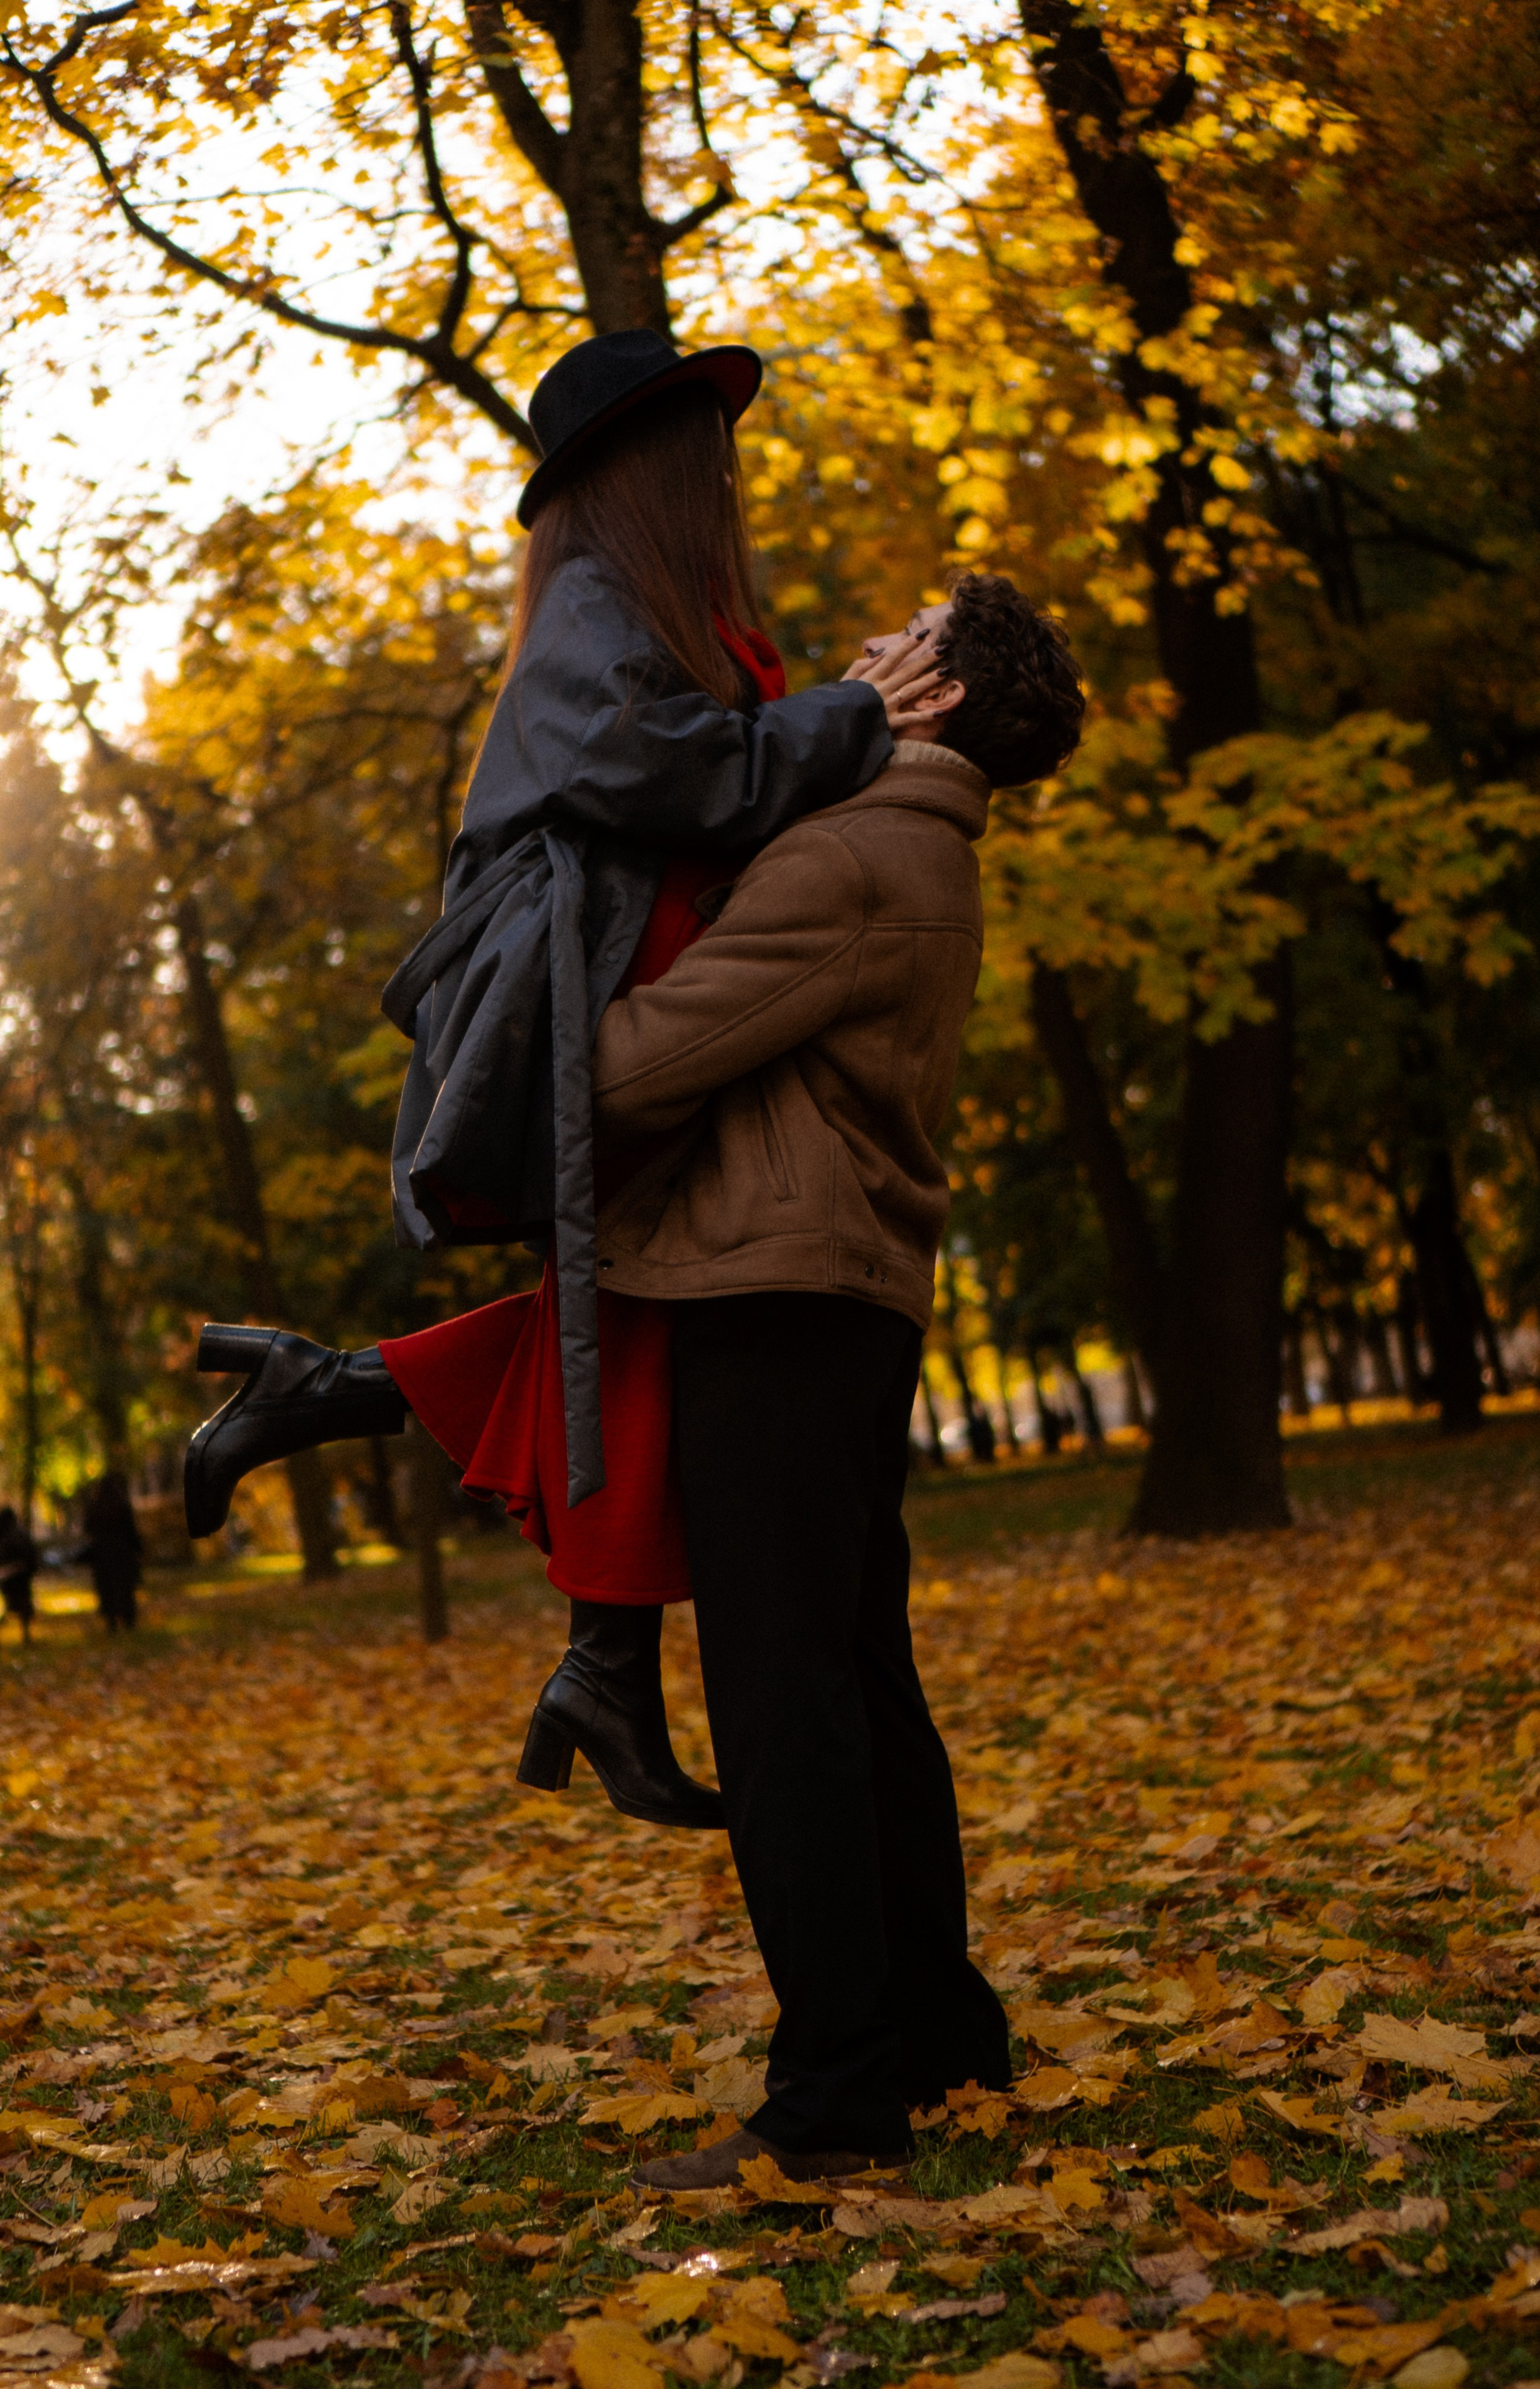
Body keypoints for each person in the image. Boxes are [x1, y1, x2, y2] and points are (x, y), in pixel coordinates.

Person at [182, 328, 947, 1830]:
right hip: (589, 993)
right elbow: (668, 772)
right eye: (704, 452)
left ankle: (535, 1589)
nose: (724, 477)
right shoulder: (597, 600)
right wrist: (858, 721)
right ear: (648, 469)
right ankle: (559, 1615)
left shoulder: (647, 600)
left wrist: (835, 720)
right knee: (653, 1300)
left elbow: (712, 768)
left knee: (647, 1309)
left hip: (625, 973)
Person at [577, 570, 1088, 2184]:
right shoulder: (914, 845)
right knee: (863, 1687)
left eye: (902, 643)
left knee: (785, 1701)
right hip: (841, 1301)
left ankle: (833, 2101)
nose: (867, 653)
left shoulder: (858, 855)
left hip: (777, 1298)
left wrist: (531, 1017)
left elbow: (639, 1063)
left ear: (933, 696)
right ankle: (939, 2039)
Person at [81, 1473, 142, 1632]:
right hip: (123, 1553)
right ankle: (128, 1619)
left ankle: (111, 1620)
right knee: (125, 1587)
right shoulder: (121, 1505)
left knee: (107, 1588)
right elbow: (131, 1530)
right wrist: (138, 1549)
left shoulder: (95, 1507)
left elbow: (88, 1529)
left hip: (102, 1555)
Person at [0, 1506, 39, 1646]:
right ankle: (25, 1632)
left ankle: (24, 1631)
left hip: (11, 1574)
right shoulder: (20, 1533)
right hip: (21, 1574)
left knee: (16, 1601)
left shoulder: (7, 1535)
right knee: (22, 1602)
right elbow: (31, 1554)